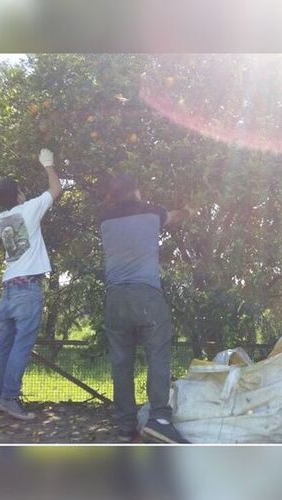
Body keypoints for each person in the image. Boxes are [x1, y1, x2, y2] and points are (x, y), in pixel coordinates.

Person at [98, 174, 190, 443]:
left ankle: (126, 425)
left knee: (121, 362)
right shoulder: (152, 212)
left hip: (115, 298)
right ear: (137, 192)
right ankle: (159, 419)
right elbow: (175, 216)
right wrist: (189, 210)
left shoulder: (105, 219)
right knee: (157, 357)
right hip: (147, 295)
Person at [0, 148, 62, 420]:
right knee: (21, 344)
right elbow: (56, 188)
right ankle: (9, 398)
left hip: (7, 288)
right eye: (19, 190)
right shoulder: (29, 209)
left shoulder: (0, 220)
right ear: (18, 195)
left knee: (3, 344)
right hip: (27, 289)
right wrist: (48, 164)